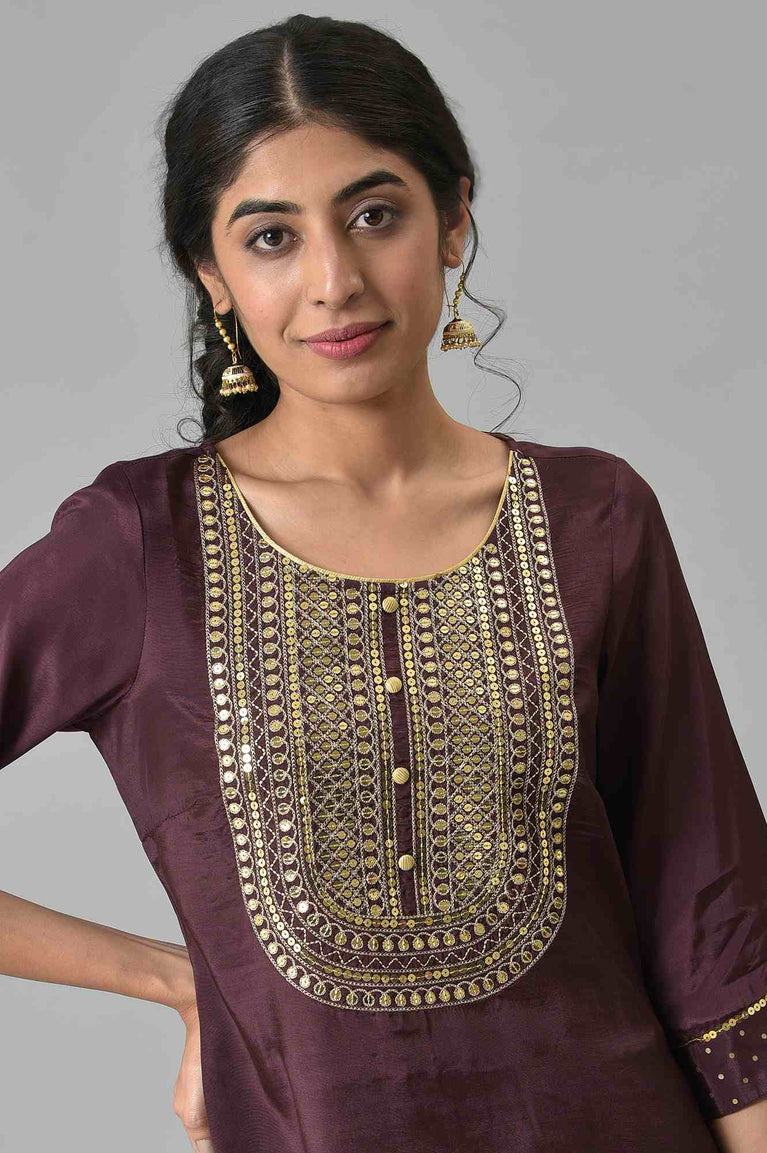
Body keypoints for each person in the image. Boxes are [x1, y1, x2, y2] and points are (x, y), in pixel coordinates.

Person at [1, 14, 766, 1153]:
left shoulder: (594, 516)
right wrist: (172, 978)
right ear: (212, 275)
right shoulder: (140, 544)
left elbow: (712, 915)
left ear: (452, 219)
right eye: (271, 237)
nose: (334, 281)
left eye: (374, 215)